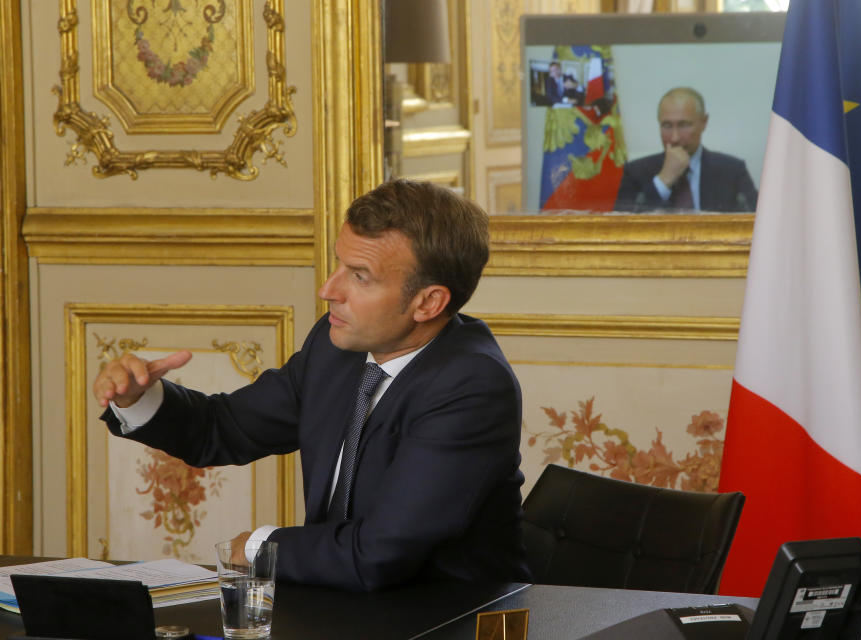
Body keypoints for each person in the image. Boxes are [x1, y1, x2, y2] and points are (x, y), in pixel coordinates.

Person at [93, 180, 531, 592]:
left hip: (445, 620)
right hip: (341, 606)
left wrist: (258, 547)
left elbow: (379, 553)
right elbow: (222, 429)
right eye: (339, 263)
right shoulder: (337, 344)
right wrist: (139, 399)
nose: (328, 290)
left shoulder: (472, 386)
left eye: (359, 276)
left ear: (428, 302)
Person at [614, 87, 758, 213]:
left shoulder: (732, 171)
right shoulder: (636, 172)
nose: (675, 138)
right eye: (667, 126)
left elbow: (759, 225)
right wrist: (663, 181)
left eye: (683, 125)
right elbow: (621, 229)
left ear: (704, 122)